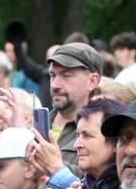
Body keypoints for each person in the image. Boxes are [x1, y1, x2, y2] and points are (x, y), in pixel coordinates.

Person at [44, 43, 103, 173]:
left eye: (66, 76)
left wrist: (53, 166)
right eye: (53, 75)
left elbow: (96, 186)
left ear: (92, 81)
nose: (54, 85)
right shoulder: (36, 125)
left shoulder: (103, 132)